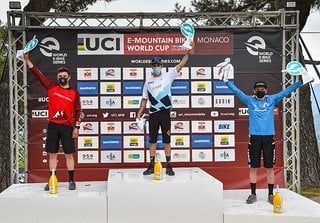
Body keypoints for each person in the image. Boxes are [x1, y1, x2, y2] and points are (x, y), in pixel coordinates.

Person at [223, 74, 312, 204]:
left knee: (269, 167)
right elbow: (237, 91)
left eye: (262, 88)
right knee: (253, 167)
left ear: (266, 90)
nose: (260, 90)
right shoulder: (249, 100)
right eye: (258, 89)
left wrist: (301, 82)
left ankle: (270, 194)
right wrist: (226, 81)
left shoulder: (272, 99)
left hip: (268, 138)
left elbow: (286, 91)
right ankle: (253, 194)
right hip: (254, 139)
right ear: (254, 90)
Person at [23, 53, 82, 191]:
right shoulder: (51, 87)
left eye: (64, 76)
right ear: (57, 77)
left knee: (69, 155)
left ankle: (71, 181)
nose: (62, 77)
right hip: (53, 126)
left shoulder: (74, 93)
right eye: (60, 76)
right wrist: (27, 61)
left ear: (69, 77)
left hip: (67, 127)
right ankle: (51, 179)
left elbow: (79, 111)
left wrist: (77, 127)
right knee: (52, 154)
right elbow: (38, 74)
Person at [137, 43, 194, 176]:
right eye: (154, 65)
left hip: (165, 113)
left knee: (167, 140)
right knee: (152, 141)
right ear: (152, 67)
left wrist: (188, 52)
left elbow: (181, 64)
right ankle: (151, 165)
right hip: (153, 114)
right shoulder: (148, 81)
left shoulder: (168, 76)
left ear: (161, 66)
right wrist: (140, 111)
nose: (156, 67)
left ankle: (169, 165)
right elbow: (144, 98)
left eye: (158, 65)